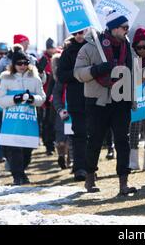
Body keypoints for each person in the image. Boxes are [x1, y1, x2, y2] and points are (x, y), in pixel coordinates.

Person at [74, 9, 137, 196]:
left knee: (122, 141)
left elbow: (131, 73)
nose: (127, 30)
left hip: (121, 99)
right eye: (124, 27)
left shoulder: (127, 46)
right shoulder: (90, 47)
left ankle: (123, 183)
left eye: (127, 27)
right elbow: (78, 73)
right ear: (113, 28)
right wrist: (97, 69)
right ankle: (90, 177)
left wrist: (131, 99)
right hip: (96, 101)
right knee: (94, 141)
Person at [0, 50, 46, 185]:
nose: (22, 66)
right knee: (14, 149)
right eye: (19, 63)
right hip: (11, 121)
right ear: (13, 64)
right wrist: (14, 98)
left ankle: (21, 172)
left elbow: (42, 98)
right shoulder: (6, 78)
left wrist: (32, 99)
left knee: (27, 152)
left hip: (28, 121)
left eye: (25, 63)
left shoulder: (35, 79)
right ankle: (18, 176)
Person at [57, 30, 88, 181]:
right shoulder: (68, 51)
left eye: (82, 32)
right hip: (76, 99)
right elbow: (62, 75)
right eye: (76, 33)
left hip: (94, 97)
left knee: (93, 134)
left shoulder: (95, 47)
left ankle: (90, 167)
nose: (79, 35)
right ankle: (80, 168)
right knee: (79, 134)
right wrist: (78, 73)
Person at [128, 27, 145, 171]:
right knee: (134, 130)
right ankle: (133, 161)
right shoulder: (131, 60)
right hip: (136, 100)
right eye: (139, 47)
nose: (142, 50)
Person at [38, 38, 61, 156]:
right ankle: (49, 145)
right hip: (46, 94)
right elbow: (38, 76)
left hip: (59, 92)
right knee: (47, 122)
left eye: (53, 47)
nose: (51, 50)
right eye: (49, 48)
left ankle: (59, 143)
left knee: (59, 121)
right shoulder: (42, 59)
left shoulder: (60, 55)